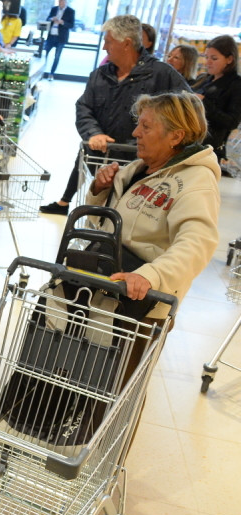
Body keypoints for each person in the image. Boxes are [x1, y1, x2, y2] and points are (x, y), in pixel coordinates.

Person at [86, 91, 219, 321]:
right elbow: (103, 219)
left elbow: (197, 244)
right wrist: (99, 188)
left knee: (119, 357)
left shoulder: (198, 182)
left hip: (141, 305)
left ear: (176, 137)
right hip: (104, 284)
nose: (135, 133)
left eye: (146, 127)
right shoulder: (138, 169)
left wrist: (152, 275)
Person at [39, 15, 189, 216]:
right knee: (102, 215)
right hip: (100, 161)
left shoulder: (162, 74)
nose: (104, 47)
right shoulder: (100, 75)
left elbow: (188, 110)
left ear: (126, 43)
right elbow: (84, 107)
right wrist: (93, 133)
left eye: (108, 42)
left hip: (143, 166)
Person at [191, 35, 241, 165]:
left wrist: (204, 103)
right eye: (206, 57)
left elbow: (232, 122)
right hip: (189, 143)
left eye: (214, 58)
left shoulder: (236, 84)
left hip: (209, 150)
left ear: (229, 59)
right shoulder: (204, 79)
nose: (208, 62)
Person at [42, 0, 74, 80]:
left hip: (61, 38)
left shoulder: (70, 11)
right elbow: (47, 19)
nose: (61, 3)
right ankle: (41, 72)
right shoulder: (54, 9)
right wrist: (52, 19)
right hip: (51, 36)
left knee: (56, 57)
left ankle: (51, 74)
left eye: (62, 2)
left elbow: (71, 25)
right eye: (59, 1)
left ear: (66, 2)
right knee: (44, 54)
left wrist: (62, 22)